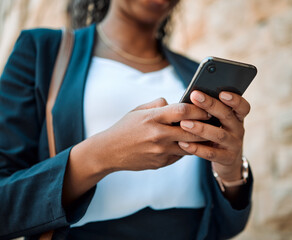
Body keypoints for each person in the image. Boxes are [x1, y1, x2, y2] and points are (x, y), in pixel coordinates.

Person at [0, 0, 253, 239]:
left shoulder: (192, 73)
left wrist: (231, 173)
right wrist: (102, 155)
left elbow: (228, 224)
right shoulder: (42, 51)